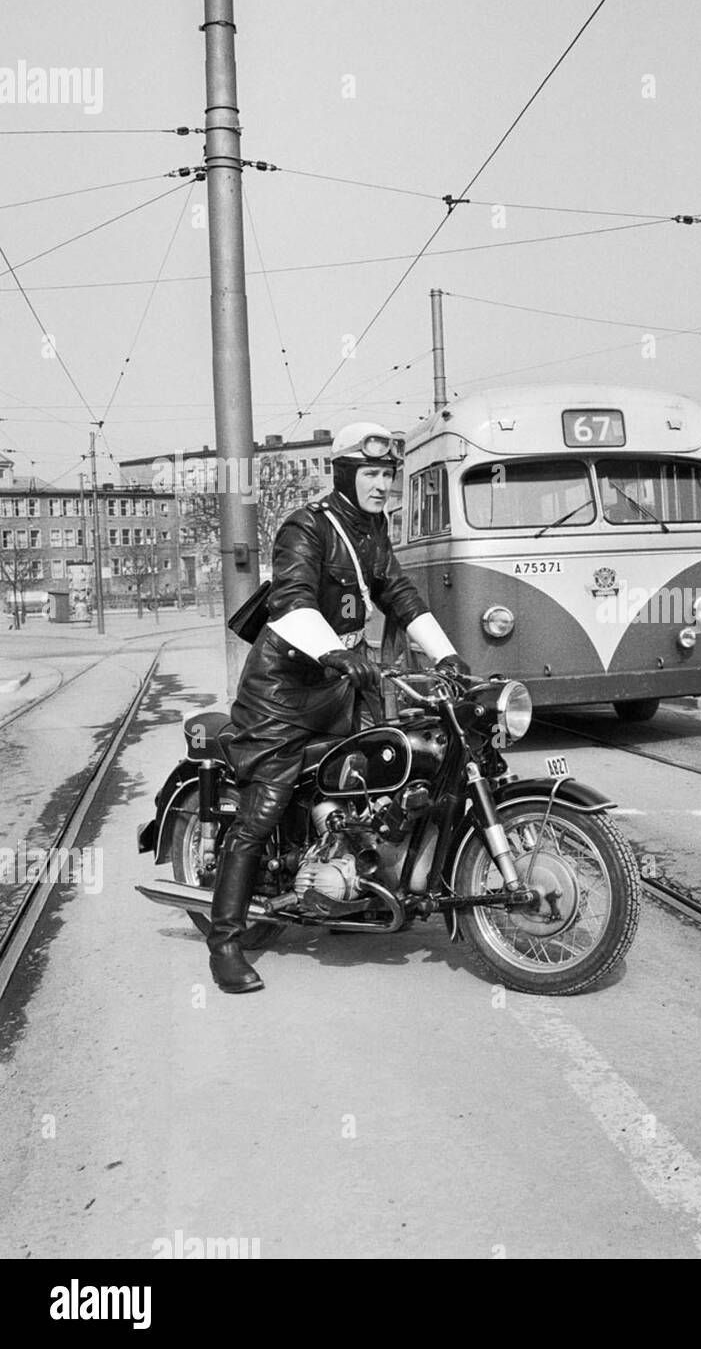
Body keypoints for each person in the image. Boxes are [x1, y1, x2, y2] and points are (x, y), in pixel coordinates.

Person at [207, 423, 464, 995]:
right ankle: (225, 942)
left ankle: (348, 889)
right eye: (372, 474)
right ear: (345, 474)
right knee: (263, 812)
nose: (383, 485)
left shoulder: (372, 528)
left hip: (341, 685)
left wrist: (448, 657)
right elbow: (290, 601)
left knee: (376, 783)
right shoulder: (307, 527)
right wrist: (332, 652)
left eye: (389, 476)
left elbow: (399, 594)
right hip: (283, 694)